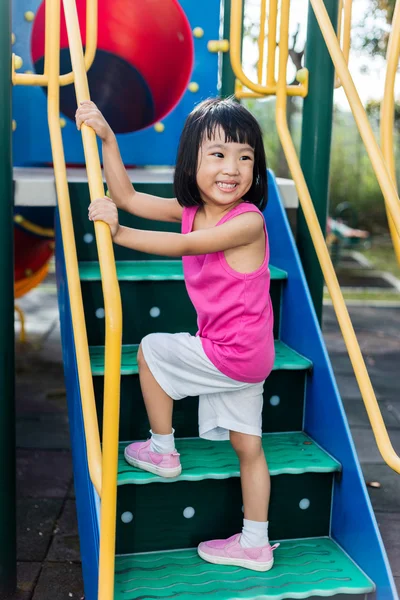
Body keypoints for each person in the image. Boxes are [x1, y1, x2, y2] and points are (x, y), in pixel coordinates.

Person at [75, 97, 279, 571]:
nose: (232, 168)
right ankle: (255, 543)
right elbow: (127, 197)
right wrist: (108, 138)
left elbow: (184, 245)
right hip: (247, 355)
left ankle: (162, 448)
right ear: (192, 161)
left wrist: (118, 233)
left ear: (256, 168)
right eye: (219, 154)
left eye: (245, 157)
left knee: (150, 349)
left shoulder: (248, 221)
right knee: (248, 448)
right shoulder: (191, 209)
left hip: (232, 354)